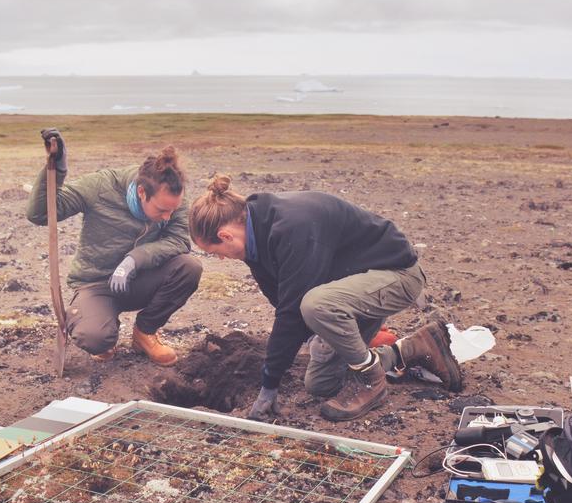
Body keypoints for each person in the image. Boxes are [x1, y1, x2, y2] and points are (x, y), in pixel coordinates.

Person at [189, 175, 462, 422]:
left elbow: (292, 311)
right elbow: (281, 300)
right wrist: (313, 337)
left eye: (215, 252)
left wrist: (269, 384)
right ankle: (411, 348)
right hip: (351, 288)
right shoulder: (254, 239)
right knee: (321, 384)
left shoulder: (292, 226)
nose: (221, 258)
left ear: (225, 235)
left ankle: (371, 382)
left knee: (315, 305)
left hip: (396, 276)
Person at [26, 129, 202, 366]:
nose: (167, 216)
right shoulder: (101, 186)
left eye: (172, 210)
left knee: (189, 267)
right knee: (95, 338)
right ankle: (102, 325)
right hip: (96, 283)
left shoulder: (172, 197)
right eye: (161, 210)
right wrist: (57, 169)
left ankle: (145, 333)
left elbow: (179, 240)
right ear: (142, 192)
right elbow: (40, 214)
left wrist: (134, 260)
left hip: (140, 279)